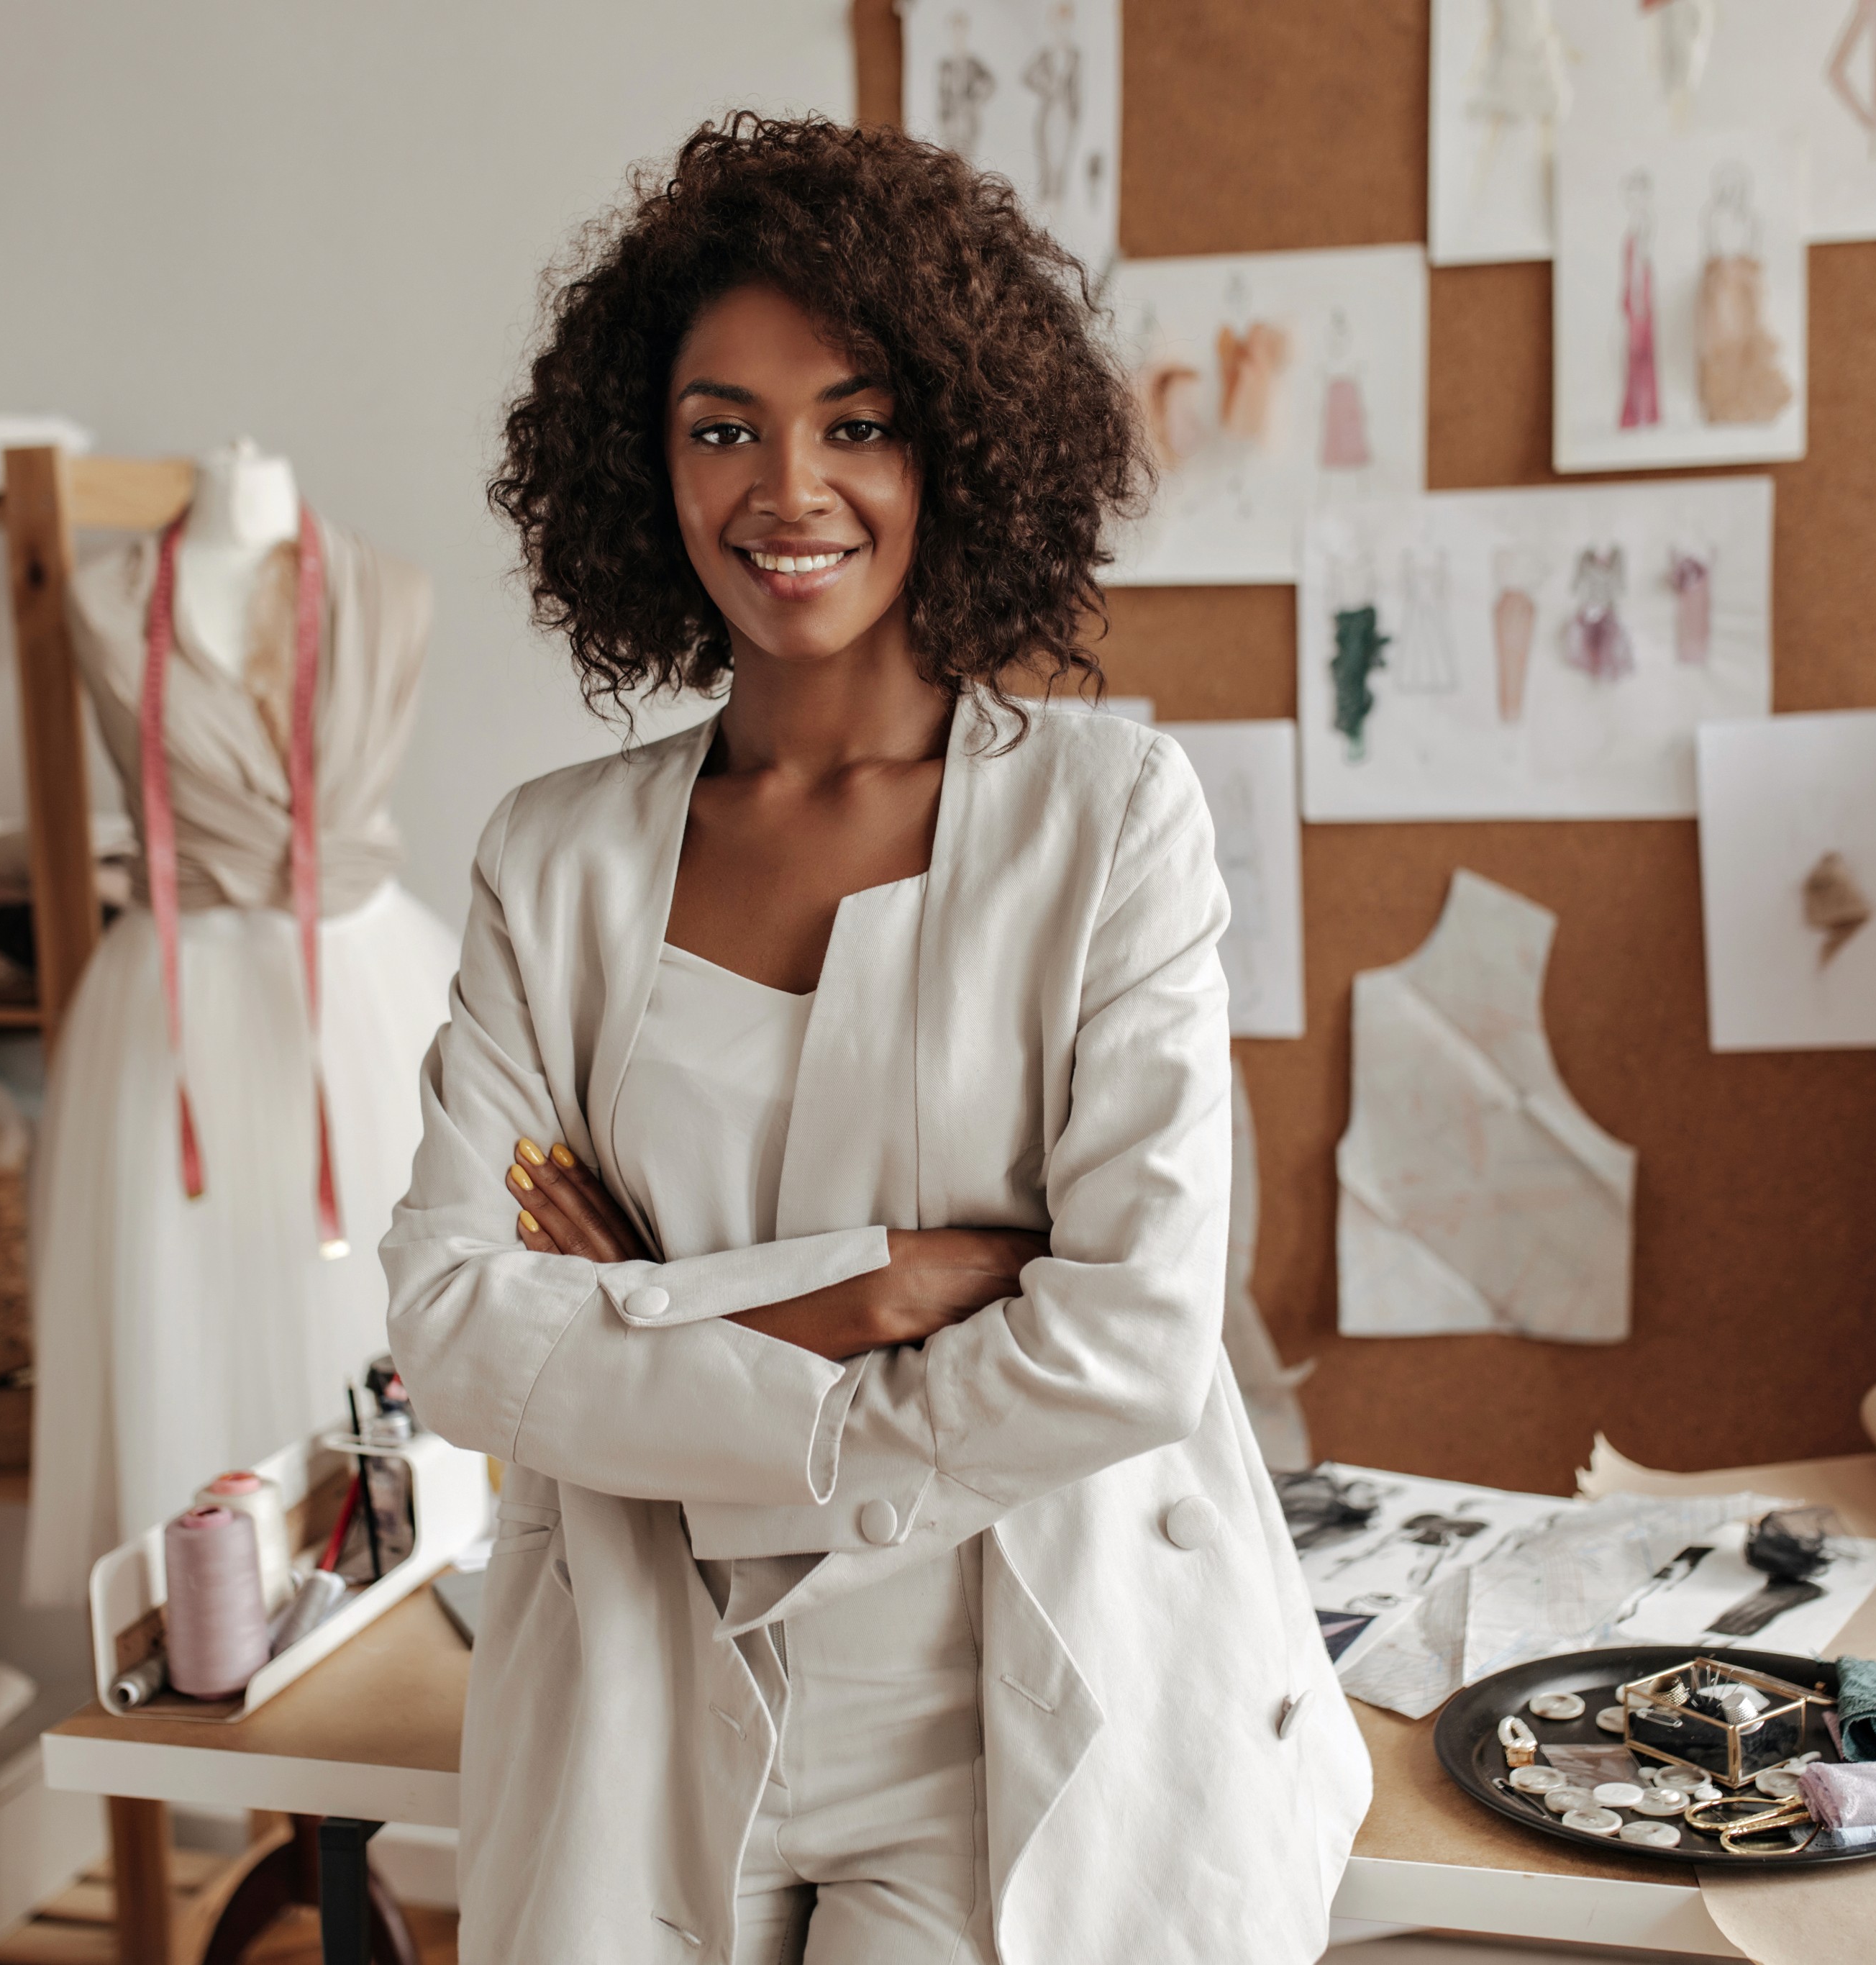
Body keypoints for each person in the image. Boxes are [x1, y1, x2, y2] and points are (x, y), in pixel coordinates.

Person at [381, 113, 1367, 1964]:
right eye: (720, 426)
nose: (787, 488)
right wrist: (870, 1292)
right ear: (642, 462)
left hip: (1003, 1704)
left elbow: (1131, 1344)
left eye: (855, 421)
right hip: (645, 1677)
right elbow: (449, 1322)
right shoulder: (554, 857)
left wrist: (667, 1324)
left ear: (956, 446)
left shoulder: (1108, 819)